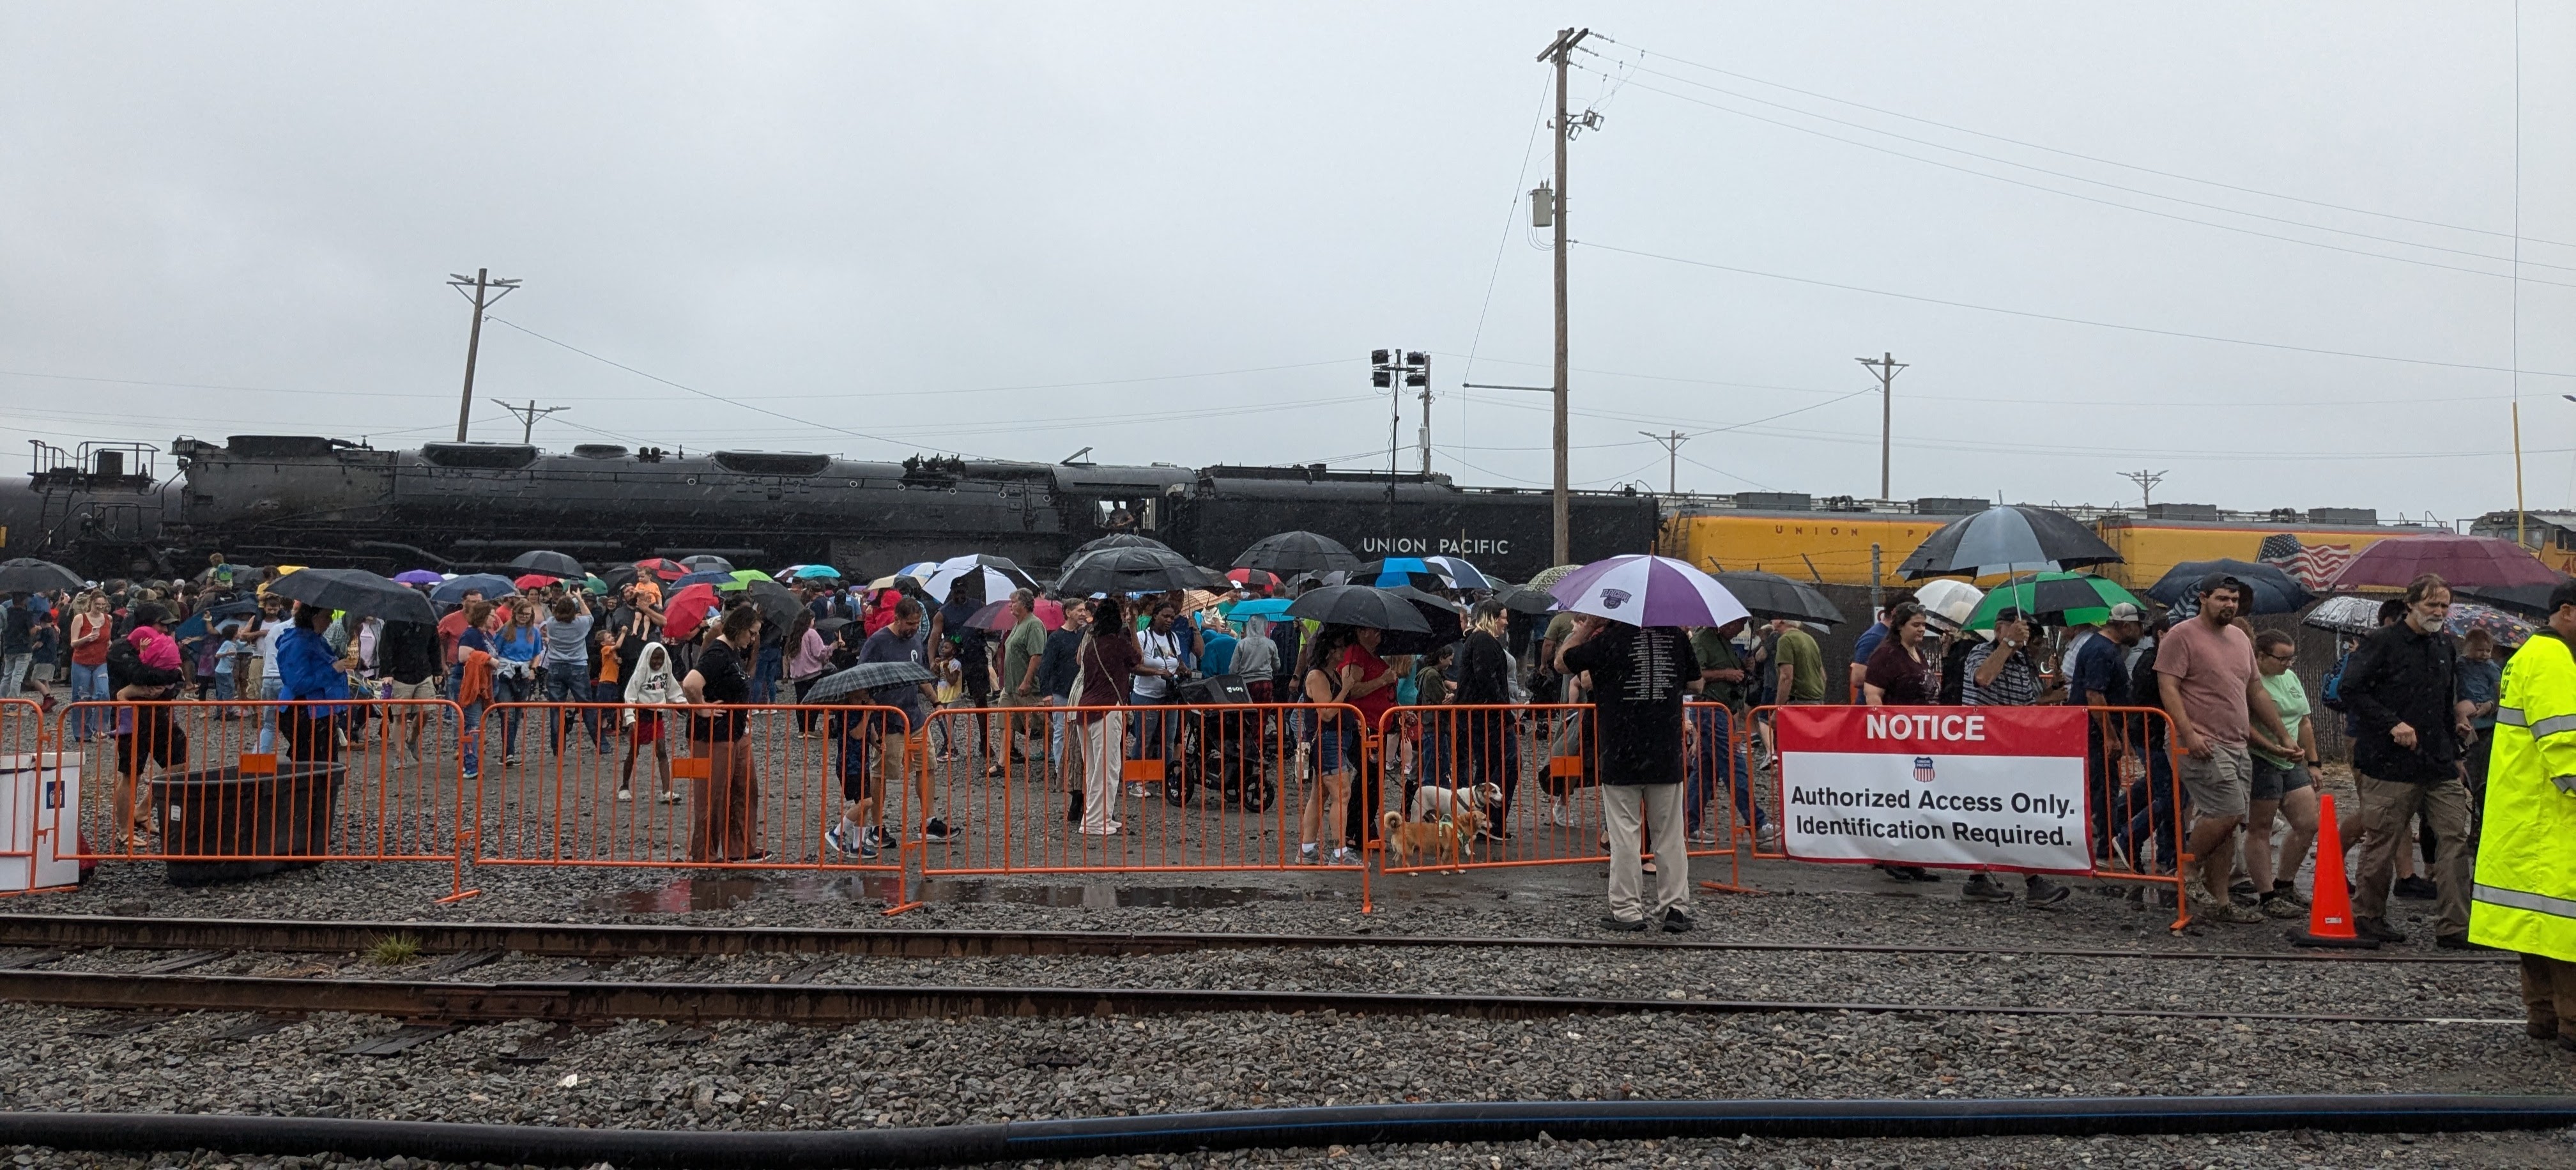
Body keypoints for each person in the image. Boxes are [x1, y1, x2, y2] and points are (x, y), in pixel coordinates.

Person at [2467, 578, 2576, 1047]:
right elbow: (2565, 742)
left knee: (2538, 922)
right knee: (2565, 925)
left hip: (2527, 811)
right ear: (2568, 612)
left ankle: (2544, 1014)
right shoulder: (2554, 660)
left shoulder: (2528, 655)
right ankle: (2572, 1021)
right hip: (2552, 815)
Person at [2339, 573, 2473, 946]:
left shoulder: (2444, 645)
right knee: (2383, 840)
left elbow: (2443, 703)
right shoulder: (2382, 642)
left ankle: (2455, 927)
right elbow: (2351, 690)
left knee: (2454, 838)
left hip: (2438, 761)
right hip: (2390, 762)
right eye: (2432, 604)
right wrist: (2391, 724)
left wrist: (2455, 749)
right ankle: (2368, 915)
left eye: (2445, 605)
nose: (2439, 612)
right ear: (2411, 603)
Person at [2155, 574, 2292, 927]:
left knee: (2228, 826)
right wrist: (2188, 735)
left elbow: (2256, 691)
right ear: (2204, 598)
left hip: (2236, 743)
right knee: (2228, 811)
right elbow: (2168, 688)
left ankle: (2221, 901)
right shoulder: (2181, 635)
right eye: (2222, 598)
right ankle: (2186, 869)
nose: (2229, 605)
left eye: (2234, 600)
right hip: (2200, 741)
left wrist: (2282, 735)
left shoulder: (2240, 639)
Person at [1558, 613, 1700, 932]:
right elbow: (1696, 682)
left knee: (1624, 835)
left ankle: (1627, 911)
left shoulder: (1608, 640)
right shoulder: (1675, 638)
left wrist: (1588, 626)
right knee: (1670, 836)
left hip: (1620, 752)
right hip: (1665, 752)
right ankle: (1675, 908)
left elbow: (1562, 662)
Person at [1956, 606, 2075, 908]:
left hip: (2013, 748)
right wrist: (2008, 644)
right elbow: (1983, 678)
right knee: (2006, 814)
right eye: (2017, 629)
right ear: (2000, 628)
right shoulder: (1980, 653)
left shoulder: (2023, 662)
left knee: (2005, 814)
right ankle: (2031, 882)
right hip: (1985, 749)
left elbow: (2027, 703)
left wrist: (2053, 693)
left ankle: (1979, 880)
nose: (2024, 636)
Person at [2246, 629, 2322, 921]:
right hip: (2262, 757)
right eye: (2282, 659)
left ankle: (2285, 883)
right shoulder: (2252, 681)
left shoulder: (2289, 677)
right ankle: (2266, 895)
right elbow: (2244, 724)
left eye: (2292, 658)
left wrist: (2314, 762)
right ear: (2260, 656)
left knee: (2308, 823)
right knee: (2261, 827)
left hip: (2292, 759)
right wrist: (2273, 748)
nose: (2288, 664)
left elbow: (2304, 721)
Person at [860, 598, 949, 847]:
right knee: (881, 773)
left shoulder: (915, 641)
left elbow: (919, 676)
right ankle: (876, 827)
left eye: (917, 624)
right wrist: (870, 716)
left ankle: (929, 822)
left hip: (914, 716)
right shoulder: (876, 642)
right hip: (887, 718)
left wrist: (936, 702)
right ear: (897, 618)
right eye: (910, 624)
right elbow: (861, 679)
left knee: (927, 765)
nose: (914, 628)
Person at [680, 605, 762, 862]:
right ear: (739, 628)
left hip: (733, 732)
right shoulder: (718, 653)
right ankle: (705, 853)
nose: (753, 639)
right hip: (713, 735)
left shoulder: (731, 652)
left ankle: (740, 849)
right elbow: (690, 684)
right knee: (712, 797)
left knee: (743, 789)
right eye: (751, 633)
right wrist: (701, 708)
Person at [2069, 602, 2147, 868]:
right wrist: (2111, 736)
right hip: (2094, 732)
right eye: (2138, 626)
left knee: (2105, 787)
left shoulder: (2103, 648)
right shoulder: (2101, 651)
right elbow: (2094, 695)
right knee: (2105, 788)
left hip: (2097, 730)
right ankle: (2106, 850)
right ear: (2125, 626)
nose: (2141, 632)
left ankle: (2105, 844)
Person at [105, 602, 187, 847]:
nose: (166, 631)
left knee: (179, 764)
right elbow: (140, 675)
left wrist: (170, 679)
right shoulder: (121, 648)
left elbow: (177, 678)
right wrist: (171, 675)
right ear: (146, 626)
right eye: (162, 625)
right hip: (131, 718)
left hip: (160, 713)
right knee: (132, 774)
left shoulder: (162, 645)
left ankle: (142, 812)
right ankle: (124, 832)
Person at [1686, 617, 1768, 851]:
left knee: (1706, 771)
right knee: (1733, 765)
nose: (1741, 629)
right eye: (1739, 624)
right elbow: (1695, 675)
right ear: (1727, 622)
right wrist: (1727, 674)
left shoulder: (1722, 641)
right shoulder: (1702, 641)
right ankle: (1757, 822)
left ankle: (1689, 825)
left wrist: (1743, 667)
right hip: (1711, 709)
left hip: (1718, 710)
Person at [1074, 596, 1153, 836]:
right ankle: (1096, 821)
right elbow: (1138, 658)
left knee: (1093, 768)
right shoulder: (1118, 644)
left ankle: (1098, 816)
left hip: (1084, 708)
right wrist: (1133, 626)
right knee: (1108, 768)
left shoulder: (1091, 646)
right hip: (1108, 707)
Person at [1296, 623, 1361, 864]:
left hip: (1335, 738)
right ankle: (1339, 852)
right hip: (1327, 739)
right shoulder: (1317, 676)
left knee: (1320, 793)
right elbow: (1326, 713)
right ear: (1329, 650)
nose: (1343, 651)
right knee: (1341, 793)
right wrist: (1346, 689)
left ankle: (1308, 849)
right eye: (1340, 647)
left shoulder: (1330, 673)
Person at [274, 602, 356, 764]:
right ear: (314, 617)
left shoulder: (316, 640)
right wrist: (333, 670)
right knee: (314, 763)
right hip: (304, 711)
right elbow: (298, 683)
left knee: (320, 761)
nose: (331, 621)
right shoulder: (298, 643)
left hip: (317, 711)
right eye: (327, 616)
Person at [1125, 603, 1186, 795]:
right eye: (1165, 616)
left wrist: (1184, 669)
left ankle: (1164, 781)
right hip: (1146, 696)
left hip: (1170, 697)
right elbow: (1135, 666)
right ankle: (1134, 782)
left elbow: (1178, 661)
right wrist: (1157, 672)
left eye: (1172, 617)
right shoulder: (1142, 637)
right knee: (1145, 740)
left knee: (1168, 742)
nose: (1169, 620)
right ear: (1155, 616)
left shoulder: (1173, 638)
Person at [618, 640, 682, 804]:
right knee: (634, 752)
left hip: (657, 717)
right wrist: (630, 717)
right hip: (641, 716)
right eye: (655, 658)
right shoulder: (641, 673)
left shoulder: (666, 672)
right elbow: (630, 695)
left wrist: (685, 705)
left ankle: (667, 791)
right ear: (648, 658)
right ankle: (624, 786)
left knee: (662, 751)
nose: (658, 662)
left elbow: (673, 691)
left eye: (661, 659)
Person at [377, 616, 441, 766]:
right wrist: (386, 672)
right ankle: (400, 755)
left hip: (424, 673)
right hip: (399, 675)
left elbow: (434, 646)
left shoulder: (429, 622)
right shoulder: (393, 621)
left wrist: (437, 670)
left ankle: (412, 740)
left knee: (426, 711)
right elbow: (385, 647)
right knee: (400, 716)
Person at [537, 592, 595, 755]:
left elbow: (547, 622)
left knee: (557, 708)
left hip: (556, 666)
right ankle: (601, 743)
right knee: (586, 705)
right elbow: (589, 616)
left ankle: (557, 747)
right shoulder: (580, 624)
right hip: (577, 665)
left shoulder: (551, 624)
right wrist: (579, 598)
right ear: (573, 611)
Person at [997, 589, 1049, 772]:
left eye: (1014, 602)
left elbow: (1036, 655)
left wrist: (1027, 681)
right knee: (1004, 721)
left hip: (1028, 688)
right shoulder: (1017, 625)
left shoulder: (1034, 625)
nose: (1010, 605)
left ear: (1025, 604)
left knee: (1042, 723)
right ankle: (1003, 763)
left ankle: (1060, 755)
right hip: (1010, 687)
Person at [2458, 628, 2504, 827]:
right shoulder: (2460, 665)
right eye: (2480, 650)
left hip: (2485, 721)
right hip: (2464, 715)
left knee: (2480, 775)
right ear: (2468, 648)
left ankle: (2479, 822)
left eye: (2488, 650)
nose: (2485, 654)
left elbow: (2500, 691)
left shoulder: (2492, 668)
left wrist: (2490, 705)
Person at [1036, 599, 1090, 771]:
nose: (1083, 614)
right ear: (1068, 612)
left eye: (1084, 610)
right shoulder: (1056, 638)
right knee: (1061, 731)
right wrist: (1046, 692)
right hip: (1061, 692)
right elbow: (1045, 666)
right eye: (1079, 611)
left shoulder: (1085, 635)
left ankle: (1080, 768)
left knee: (1082, 730)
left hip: (1082, 691)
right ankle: (1060, 770)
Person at [490, 602, 543, 765]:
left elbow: (537, 654)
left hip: (524, 674)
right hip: (505, 673)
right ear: (515, 614)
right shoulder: (506, 630)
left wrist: (534, 669)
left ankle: (508, 752)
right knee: (508, 713)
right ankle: (509, 753)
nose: (524, 617)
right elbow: (495, 650)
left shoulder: (534, 632)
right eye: (521, 614)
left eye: (527, 614)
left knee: (517, 714)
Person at [1860, 602, 1936, 706]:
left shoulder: (1917, 651)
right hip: (1898, 716)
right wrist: (1883, 716)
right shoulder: (1885, 655)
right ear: (1900, 626)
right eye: (1916, 625)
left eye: (1924, 625)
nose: (1922, 629)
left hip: (1924, 716)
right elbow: (1873, 696)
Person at [1846, 591, 1913, 702]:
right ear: (1895, 613)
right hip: (1873, 709)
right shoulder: (1874, 638)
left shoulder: (1901, 638)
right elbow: (1857, 678)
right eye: (1910, 614)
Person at [66, 592, 111, 741]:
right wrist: (87, 638)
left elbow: (108, 639)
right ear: (91, 603)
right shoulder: (80, 618)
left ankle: (100, 728)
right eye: (97, 604)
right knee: (81, 697)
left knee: (104, 694)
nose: (100, 607)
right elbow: (73, 643)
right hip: (81, 661)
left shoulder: (108, 619)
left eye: (103, 605)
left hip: (101, 661)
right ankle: (82, 733)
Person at [1770, 617, 1827, 705]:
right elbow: (1823, 676)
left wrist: (1778, 708)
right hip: (1817, 702)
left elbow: (1786, 677)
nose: (1771, 621)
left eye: (1773, 618)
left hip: (1799, 703)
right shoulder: (1810, 639)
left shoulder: (1785, 639)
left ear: (1781, 621)